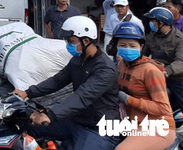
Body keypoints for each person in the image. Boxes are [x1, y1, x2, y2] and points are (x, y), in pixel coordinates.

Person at [12, 16, 121, 150]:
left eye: (71, 41)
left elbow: (82, 97)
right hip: (77, 120)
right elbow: (57, 80)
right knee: (28, 129)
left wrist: (51, 115)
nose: (68, 45)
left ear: (86, 40)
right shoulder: (78, 59)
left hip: (98, 128)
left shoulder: (105, 69)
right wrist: (27, 92)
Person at [113, 22, 176, 150]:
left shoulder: (150, 71)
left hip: (157, 125)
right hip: (132, 121)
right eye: (123, 45)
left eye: (132, 45)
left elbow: (163, 108)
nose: (127, 48)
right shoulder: (121, 64)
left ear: (141, 47)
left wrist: (128, 99)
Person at [143, 6, 183, 111]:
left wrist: (166, 71)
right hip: (155, 75)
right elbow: (143, 54)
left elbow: (180, 62)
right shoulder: (152, 35)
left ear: (161, 22)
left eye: (153, 20)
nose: (151, 23)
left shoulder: (179, 39)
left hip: (175, 77)